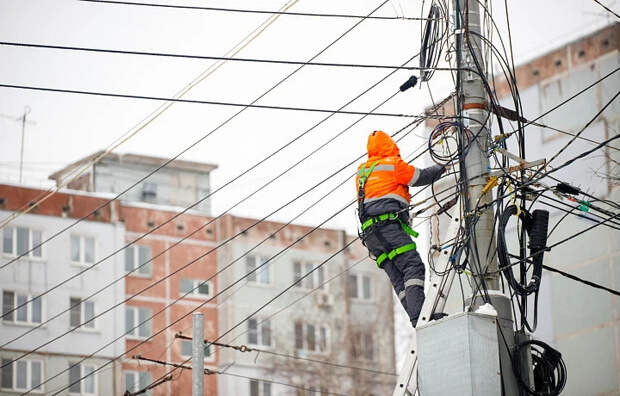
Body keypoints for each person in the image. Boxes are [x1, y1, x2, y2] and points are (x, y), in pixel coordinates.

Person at [356, 130, 444, 328]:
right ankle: (421, 317)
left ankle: (416, 317)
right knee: (412, 266)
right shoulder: (392, 165)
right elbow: (419, 177)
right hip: (389, 229)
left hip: (371, 237)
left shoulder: (363, 172)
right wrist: (444, 167)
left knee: (398, 276)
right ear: (390, 146)